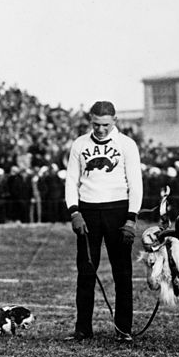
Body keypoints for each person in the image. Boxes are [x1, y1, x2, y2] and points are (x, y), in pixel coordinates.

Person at [64, 101, 143, 342]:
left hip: (118, 210)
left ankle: (123, 329)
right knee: (86, 271)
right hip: (88, 211)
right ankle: (83, 328)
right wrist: (74, 212)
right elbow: (71, 180)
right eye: (96, 124)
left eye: (105, 125)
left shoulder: (127, 144)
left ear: (115, 120)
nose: (100, 129)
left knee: (122, 272)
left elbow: (136, 183)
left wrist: (131, 218)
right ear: (90, 121)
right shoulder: (80, 143)